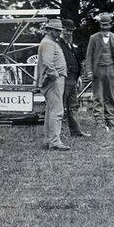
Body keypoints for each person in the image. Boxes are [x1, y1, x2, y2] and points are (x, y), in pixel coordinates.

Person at [85, 13, 114, 131]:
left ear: (111, 25)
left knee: (109, 95)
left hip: (111, 70)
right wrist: (89, 72)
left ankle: (110, 118)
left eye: (107, 25)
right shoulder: (93, 38)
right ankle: (99, 119)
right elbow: (89, 56)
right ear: (100, 25)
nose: (105, 27)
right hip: (98, 70)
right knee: (98, 96)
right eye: (102, 25)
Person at [35, 18, 69, 150]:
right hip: (54, 81)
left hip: (54, 80)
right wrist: (55, 76)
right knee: (57, 111)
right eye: (56, 30)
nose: (58, 33)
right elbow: (48, 63)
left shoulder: (49, 42)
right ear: (49, 30)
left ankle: (49, 140)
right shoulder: (48, 43)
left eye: (59, 30)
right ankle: (55, 141)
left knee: (51, 111)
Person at [59, 18, 87, 138]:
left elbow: (76, 61)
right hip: (63, 79)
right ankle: (57, 133)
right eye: (67, 30)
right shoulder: (58, 44)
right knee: (60, 107)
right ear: (61, 29)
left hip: (73, 78)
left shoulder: (70, 45)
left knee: (73, 106)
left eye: (71, 31)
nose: (69, 33)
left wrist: (78, 76)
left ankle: (76, 131)